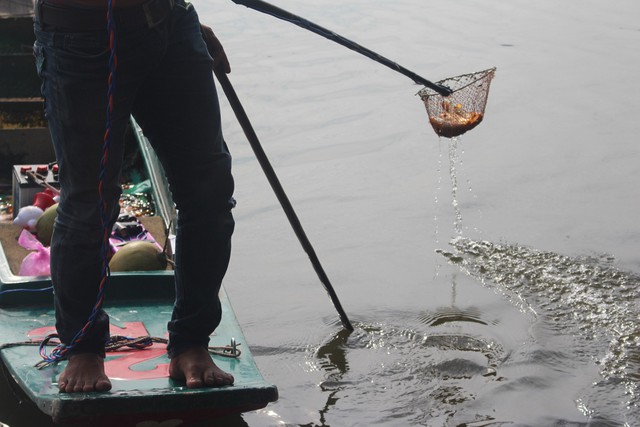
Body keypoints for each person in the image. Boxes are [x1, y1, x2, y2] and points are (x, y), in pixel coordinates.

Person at [33, 0, 236, 392]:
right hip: (83, 35)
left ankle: (191, 341)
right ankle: (84, 348)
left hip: (168, 23)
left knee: (208, 192)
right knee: (89, 202)